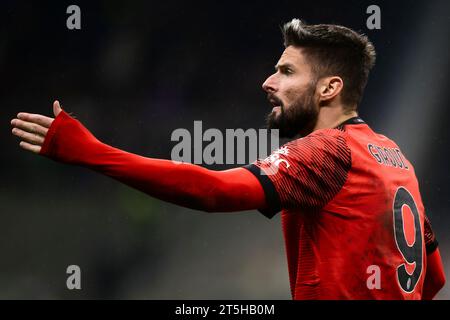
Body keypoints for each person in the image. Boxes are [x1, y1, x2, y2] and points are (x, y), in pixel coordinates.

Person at [10, 19, 445, 299]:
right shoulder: (394, 158)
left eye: (287, 72)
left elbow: (213, 191)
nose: (268, 81)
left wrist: (91, 152)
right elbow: (434, 278)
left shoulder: (327, 150)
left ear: (329, 89)